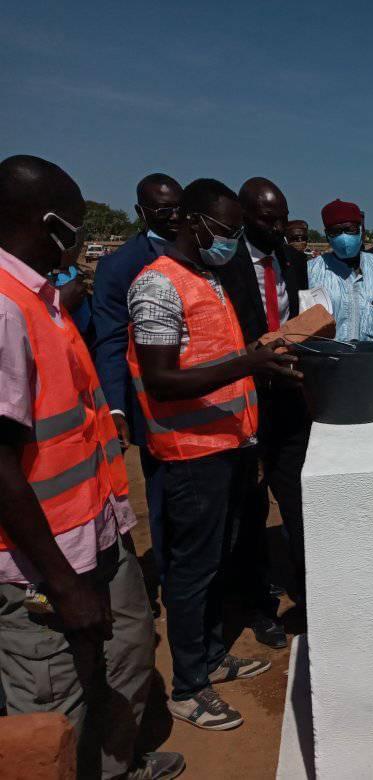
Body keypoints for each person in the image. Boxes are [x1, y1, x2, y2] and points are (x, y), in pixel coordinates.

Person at [0, 154, 183, 779]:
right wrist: (61, 580)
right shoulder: (4, 309)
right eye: (75, 223)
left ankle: (114, 768)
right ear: (49, 222)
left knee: (128, 652)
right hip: (38, 563)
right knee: (53, 707)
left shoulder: (42, 297)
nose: (80, 237)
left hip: (98, 531)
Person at [128, 178, 298, 730]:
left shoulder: (207, 278)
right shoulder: (157, 285)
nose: (230, 241)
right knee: (191, 571)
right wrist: (250, 364)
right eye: (225, 230)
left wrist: (254, 358)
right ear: (193, 222)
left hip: (226, 445)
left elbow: (217, 359)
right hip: (189, 454)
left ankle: (208, 658)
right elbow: (160, 380)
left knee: (217, 560)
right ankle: (188, 687)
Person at [217, 177, 311, 639]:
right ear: (244, 216)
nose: (276, 227)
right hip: (243, 406)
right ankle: (258, 606)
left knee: (298, 505)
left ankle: (308, 592)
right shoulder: (222, 266)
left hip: (291, 402)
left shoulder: (295, 262)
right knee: (250, 512)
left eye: (282, 217)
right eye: (265, 220)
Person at [93, 173, 182, 580]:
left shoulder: (202, 254)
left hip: (209, 397)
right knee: (165, 498)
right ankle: (168, 574)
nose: (174, 216)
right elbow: (110, 342)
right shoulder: (120, 266)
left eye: (179, 208)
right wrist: (115, 408)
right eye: (163, 210)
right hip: (154, 405)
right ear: (141, 212)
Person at [307, 199, 373, 391]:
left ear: (361, 230)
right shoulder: (311, 273)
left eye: (349, 229)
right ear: (327, 236)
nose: (343, 237)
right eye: (335, 231)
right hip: (329, 376)